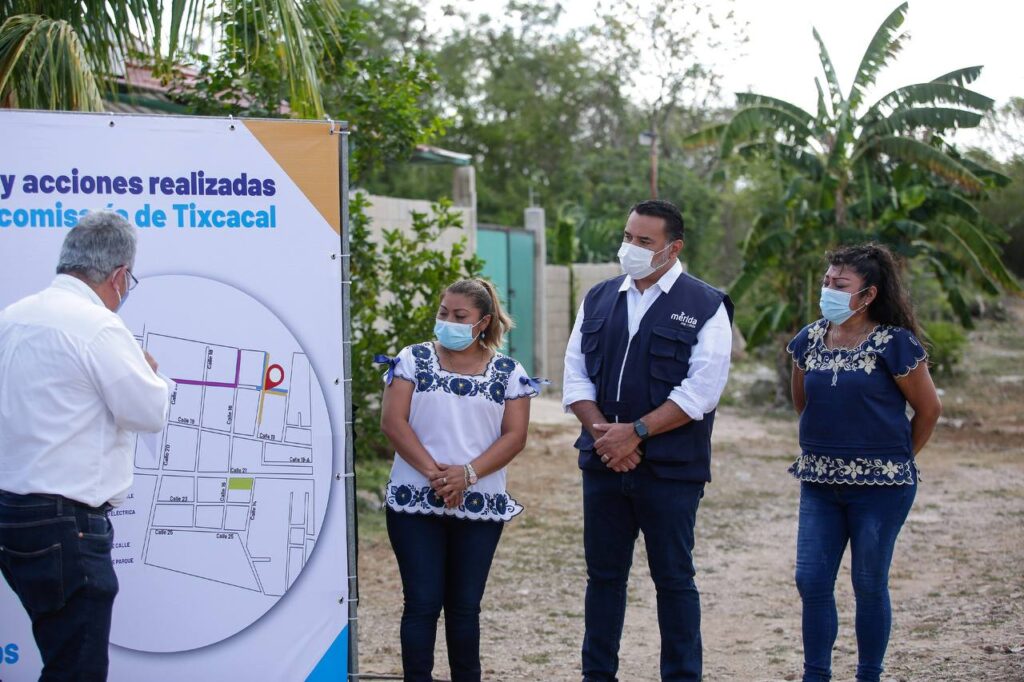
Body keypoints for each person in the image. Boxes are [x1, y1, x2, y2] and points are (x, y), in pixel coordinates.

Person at [562, 199, 734, 681]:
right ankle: (597, 674)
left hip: (671, 471)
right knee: (603, 579)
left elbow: (701, 391)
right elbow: (575, 376)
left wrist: (635, 432)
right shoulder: (598, 298)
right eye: (627, 237)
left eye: (644, 241)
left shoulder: (706, 305)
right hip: (603, 464)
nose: (630, 248)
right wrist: (606, 438)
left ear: (673, 248)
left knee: (674, 580)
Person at [0, 211, 171, 681]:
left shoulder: (12, 317)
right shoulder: (99, 327)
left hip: (12, 513)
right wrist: (151, 374)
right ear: (119, 276)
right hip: (66, 523)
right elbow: (148, 412)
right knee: (77, 667)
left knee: (62, 655)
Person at [787, 243, 942, 682]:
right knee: (811, 580)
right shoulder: (808, 339)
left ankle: (868, 674)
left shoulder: (895, 344)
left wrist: (894, 460)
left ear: (869, 294)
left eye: (840, 285)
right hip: (819, 483)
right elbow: (804, 403)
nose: (828, 290)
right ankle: (816, 674)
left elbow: (928, 410)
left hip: (883, 490)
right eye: (826, 282)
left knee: (869, 583)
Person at [377, 277, 540, 682]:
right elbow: (393, 422)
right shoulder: (411, 359)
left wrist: (467, 475)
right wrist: (438, 476)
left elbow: (515, 437)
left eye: (459, 316)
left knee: (465, 608)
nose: (447, 321)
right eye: (443, 312)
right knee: (421, 604)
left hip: (480, 504)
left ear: (483, 322)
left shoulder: (509, 372)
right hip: (414, 502)